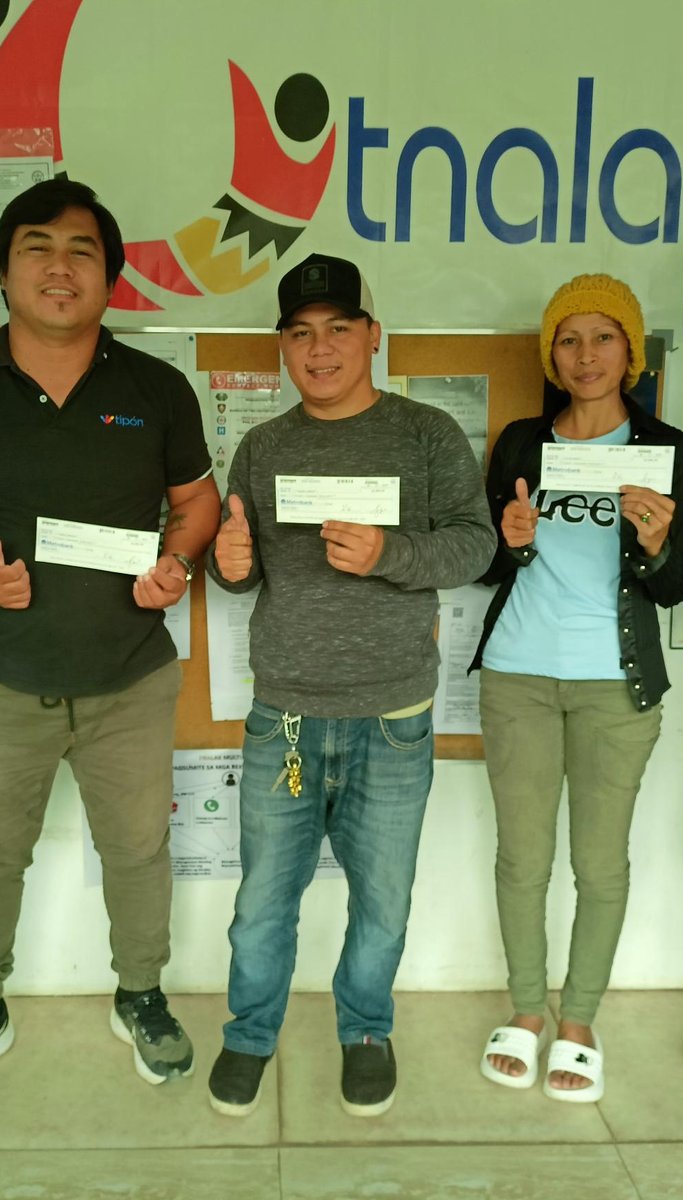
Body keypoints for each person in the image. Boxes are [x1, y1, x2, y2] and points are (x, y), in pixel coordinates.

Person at [0, 179, 219, 1103]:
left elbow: (196, 503)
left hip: (131, 677)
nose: (60, 266)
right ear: (3, 271)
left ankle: (141, 992)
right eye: (37, 246)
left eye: (82, 251)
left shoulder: (156, 388)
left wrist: (176, 563)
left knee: (139, 849)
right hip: (0, 676)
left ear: (111, 278)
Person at [205, 253, 493, 1118]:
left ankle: (366, 1030)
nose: (320, 348)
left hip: (393, 719)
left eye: (338, 329)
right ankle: (249, 1034)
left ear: (372, 336)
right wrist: (228, 564)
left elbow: (475, 545)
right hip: (286, 719)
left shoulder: (425, 434)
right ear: (282, 347)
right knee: (263, 901)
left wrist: (388, 553)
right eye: (301, 333)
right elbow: (241, 572)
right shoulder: (263, 447)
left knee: (384, 900)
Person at [471, 275, 683, 1102]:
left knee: (599, 864)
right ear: (551, 354)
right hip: (519, 675)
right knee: (522, 858)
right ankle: (527, 1011)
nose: (586, 355)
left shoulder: (666, 450)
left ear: (630, 351)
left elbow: (677, 587)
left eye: (604, 337)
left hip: (615, 684)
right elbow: (487, 565)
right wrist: (510, 541)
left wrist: (658, 546)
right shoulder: (520, 444)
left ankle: (578, 1021)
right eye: (568, 339)